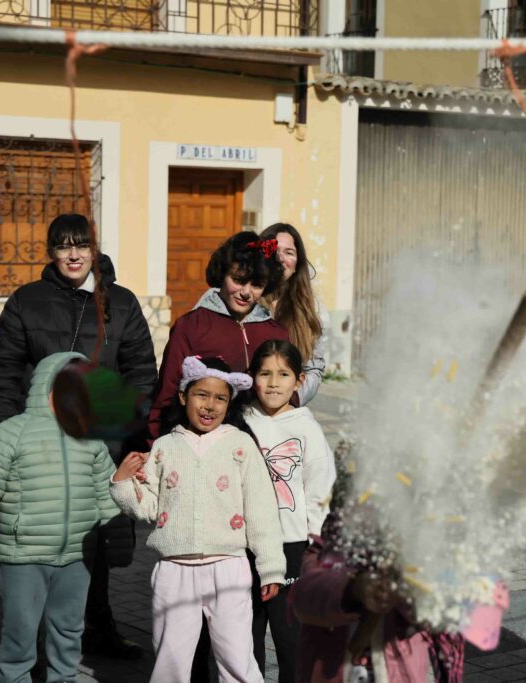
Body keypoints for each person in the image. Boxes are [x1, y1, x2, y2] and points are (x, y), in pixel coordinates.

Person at [0, 213, 157, 659]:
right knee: (37, 544)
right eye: (63, 246)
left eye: (82, 245)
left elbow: (140, 373)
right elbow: (3, 372)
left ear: (94, 250)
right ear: (51, 252)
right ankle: (34, 643)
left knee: (94, 542)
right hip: (36, 448)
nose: (73, 255)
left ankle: (97, 626)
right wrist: (8, 434)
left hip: (97, 446)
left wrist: (117, 434)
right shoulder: (27, 301)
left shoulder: (122, 302)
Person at [111, 355, 285, 683]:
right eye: (201, 395)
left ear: (229, 403)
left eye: (220, 398)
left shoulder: (241, 445)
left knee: (236, 658)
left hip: (228, 568)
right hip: (174, 571)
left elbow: (261, 510)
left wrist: (271, 567)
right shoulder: (164, 447)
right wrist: (123, 484)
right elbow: (149, 509)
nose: (210, 406)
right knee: (170, 660)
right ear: (183, 396)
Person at [0, 352, 120, 683]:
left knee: (68, 628)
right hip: (23, 556)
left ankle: (63, 678)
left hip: (77, 555)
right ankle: (15, 676)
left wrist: (117, 539)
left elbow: (107, 492)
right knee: (20, 629)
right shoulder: (11, 433)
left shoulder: (90, 439)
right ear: (46, 386)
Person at [243, 340, 336, 682]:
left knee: (291, 643)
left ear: (299, 381)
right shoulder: (240, 422)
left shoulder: (307, 428)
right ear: (251, 377)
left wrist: (315, 549)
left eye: (283, 374)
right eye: (264, 373)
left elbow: (320, 491)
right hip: (244, 547)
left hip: (292, 547)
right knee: (244, 643)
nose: (273, 383)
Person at [292, 514, 465, 683]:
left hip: (399, 671)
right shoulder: (324, 550)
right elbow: (306, 598)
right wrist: (354, 588)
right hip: (331, 671)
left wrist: (406, 586)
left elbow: (436, 613)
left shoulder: (424, 555)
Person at [148, 232, 289, 440]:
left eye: (256, 285)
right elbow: (168, 392)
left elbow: (288, 392)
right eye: (238, 280)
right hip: (202, 441)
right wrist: (155, 444)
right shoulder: (192, 326)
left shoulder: (276, 332)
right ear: (222, 274)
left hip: (264, 443)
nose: (246, 292)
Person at [258, 224, 330, 405]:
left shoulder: (311, 310)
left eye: (289, 252)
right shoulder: (242, 299)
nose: (280, 258)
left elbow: (313, 369)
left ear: (298, 264)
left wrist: (290, 401)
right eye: (274, 251)